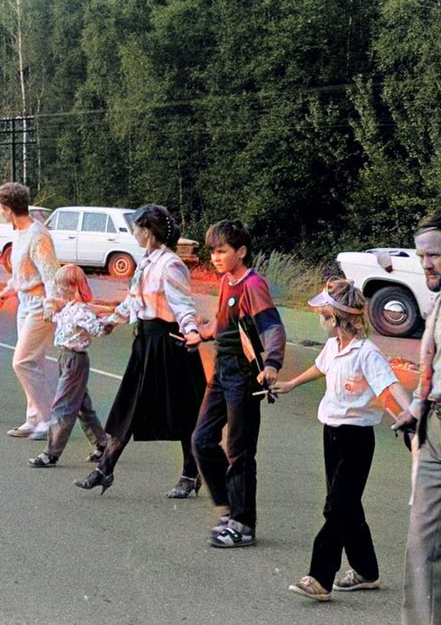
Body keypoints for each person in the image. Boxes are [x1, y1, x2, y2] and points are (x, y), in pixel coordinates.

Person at [269, 279, 414, 601]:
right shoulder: (334, 346)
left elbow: (390, 385)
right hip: (331, 434)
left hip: (356, 439)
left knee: (335, 508)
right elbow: (320, 368)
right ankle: (366, 571)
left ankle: (319, 577)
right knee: (348, 506)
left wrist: (410, 412)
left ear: (335, 319)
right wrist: (291, 384)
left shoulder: (367, 353)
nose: (320, 321)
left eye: (322, 315)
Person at [75, 205, 206, 496]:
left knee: (183, 411)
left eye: (135, 227)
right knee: (128, 406)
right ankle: (105, 470)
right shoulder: (147, 262)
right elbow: (134, 300)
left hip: (169, 343)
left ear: (147, 232)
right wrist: (111, 321)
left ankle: (190, 474)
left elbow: (183, 305)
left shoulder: (171, 265)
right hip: (145, 342)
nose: (133, 232)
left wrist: (191, 331)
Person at [191, 219, 286, 548]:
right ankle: (229, 508)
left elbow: (271, 326)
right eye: (212, 252)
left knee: (239, 450)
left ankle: (243, 525)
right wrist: (201, 335)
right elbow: (225, 325)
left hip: (243, 374)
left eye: (222, 251)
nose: (215, 258)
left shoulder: (252, 284)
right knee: (202, 439)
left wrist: (272, 363)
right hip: (221, 369)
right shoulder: (226, 281)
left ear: (241, 252)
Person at [0, 182, 60, 441]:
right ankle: (34, 418)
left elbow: (50, 274)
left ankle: (49, 419)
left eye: (1, 208)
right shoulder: (19, 233)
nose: (0, 213)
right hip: (24, 303)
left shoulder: (37, 234)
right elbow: (22, 274)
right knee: (33, 362)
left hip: (40, 305)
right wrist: (6, 291)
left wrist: (51, 304)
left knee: (22, 361)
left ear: (8, 208)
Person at [25, 264, 110, 467]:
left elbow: (97, 329)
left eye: (61, 286)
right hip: (65, 357)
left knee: (63, 406)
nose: (58, 290)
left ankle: (51, 453)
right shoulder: (70, 307)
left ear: (72, 287)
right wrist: (51, 308)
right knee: (81, 405)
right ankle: (102, 443)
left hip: (75, 359)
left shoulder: (81, 311)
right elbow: (55, 317)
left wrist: (109, 321)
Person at [403, 212, 441, 623]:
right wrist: (417, 407)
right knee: (422, 544)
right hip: (432, 430)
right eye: (421, 256)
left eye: (434, 255)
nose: (426, 263)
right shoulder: (438, 302)